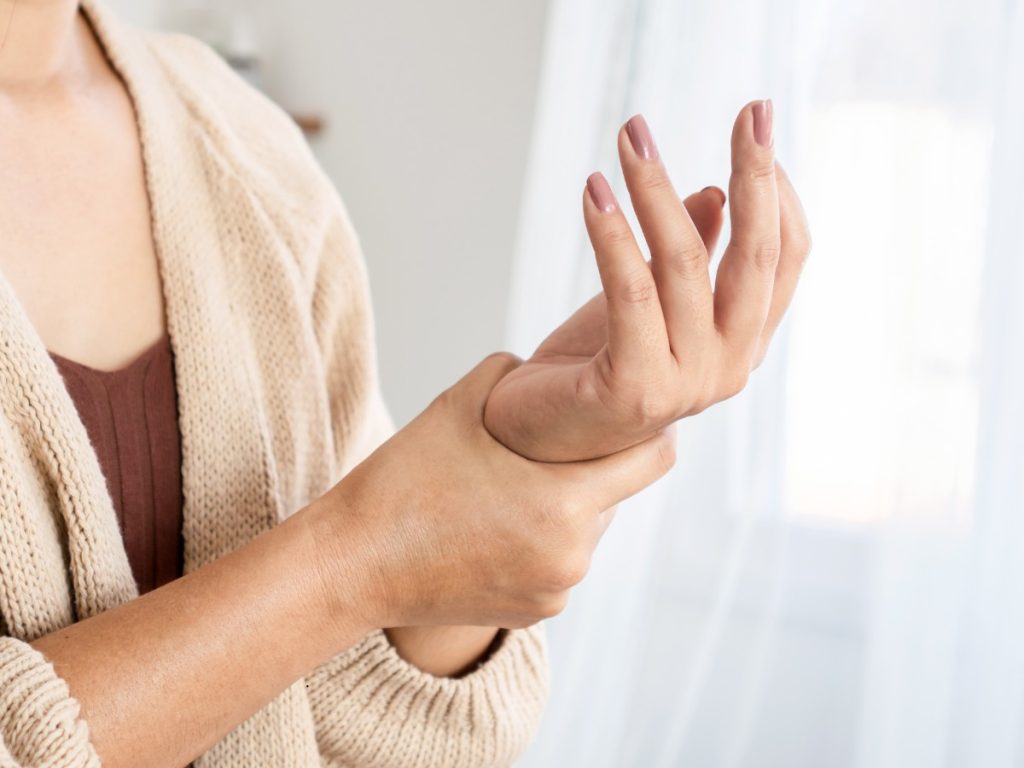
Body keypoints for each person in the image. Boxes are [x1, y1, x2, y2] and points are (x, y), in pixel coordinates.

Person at [0, 1, 811, 766]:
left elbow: (365, 732)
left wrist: (503, 480)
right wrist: (353, 562)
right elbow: (355, 565)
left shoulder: (243, 141)